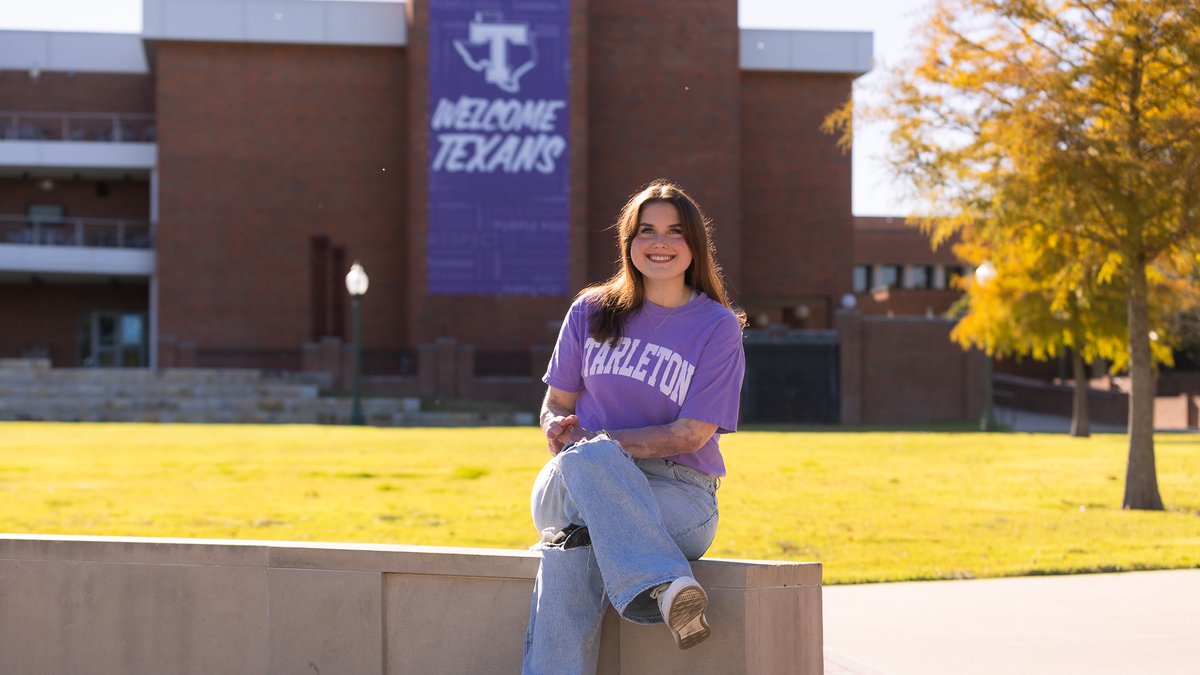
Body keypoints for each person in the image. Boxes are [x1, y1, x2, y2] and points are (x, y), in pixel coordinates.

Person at [523, 180, 746, 674]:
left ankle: (659, 583)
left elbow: (691, 435)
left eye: (674, 232)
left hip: (676, 495)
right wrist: (555, 427)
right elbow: (554, 402)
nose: (659, 243)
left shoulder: (718, 326)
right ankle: (667, 586)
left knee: (570, 553)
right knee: (589, 464)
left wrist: (601, 446)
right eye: (646, 231)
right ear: (628, 242)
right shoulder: (590, 311)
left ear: (695, 245)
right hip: (576, 482)